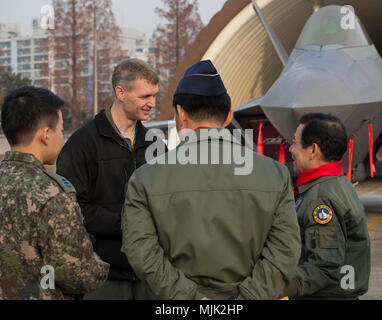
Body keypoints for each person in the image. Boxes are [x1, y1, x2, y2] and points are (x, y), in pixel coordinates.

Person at [121, 60, 301, 300]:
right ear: (228, 115)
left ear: (181, 113)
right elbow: (285, 249)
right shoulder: (275, 175)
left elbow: (142, 252)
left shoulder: (145, 179)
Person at [56, 59, 166, 300]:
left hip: (150, 275)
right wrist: (128, 223)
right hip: (103, 277)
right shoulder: (83, 144)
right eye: (145, 96)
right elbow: (71, 209)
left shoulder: (156, 146)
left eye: (155, 95)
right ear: (121, 92)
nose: (153, 103)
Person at [0, 86, 109, 300]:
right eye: (60, 130)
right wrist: (100, 265)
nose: (62, 137)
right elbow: (80, 274)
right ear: (46, 134)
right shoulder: (52, 194)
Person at [285, 113, 371, 299]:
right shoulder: (336, 182)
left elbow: (323, 268)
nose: (291, 150)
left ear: (313, 150)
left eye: (295, 143)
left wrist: (270, 287)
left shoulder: (320, 197)